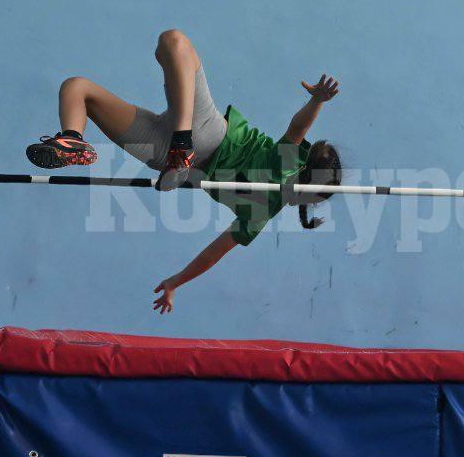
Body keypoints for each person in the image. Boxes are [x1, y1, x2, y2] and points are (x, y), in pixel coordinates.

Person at [25, 29, 343, 312]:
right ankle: (74, 140)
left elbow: (298, 129)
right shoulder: (267, 203)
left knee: (160, 47)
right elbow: (213, 254)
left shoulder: (279, 180)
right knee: (89, 84)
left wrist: (317, 101)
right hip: (172, 149)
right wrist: (175, 282)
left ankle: (169, 143)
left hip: (192, 138)